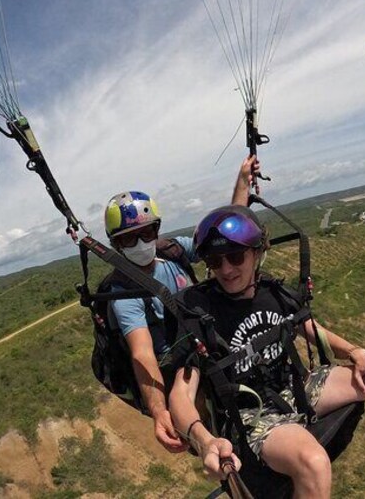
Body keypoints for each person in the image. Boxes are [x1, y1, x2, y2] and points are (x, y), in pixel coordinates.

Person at [167, 205, 365, 497]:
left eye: (235, 256)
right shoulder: (200, 310)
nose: (227, 269)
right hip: (254, 416)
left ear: (257, 253)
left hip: (297, 387)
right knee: (314, 463)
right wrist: (204, 441)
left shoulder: (270, 290)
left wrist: (357, 352)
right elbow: (181, 393)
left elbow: (305, 326)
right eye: (216, 262)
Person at [103, 156, 259, 453]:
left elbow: (224, 235)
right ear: (116, 246)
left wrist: (242, 182)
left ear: (157, 230)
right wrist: (160, 411)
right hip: (179, 362)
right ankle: (220, 454)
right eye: (128, 240)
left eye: (146, 234)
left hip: (207, 335)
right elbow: (143, 354)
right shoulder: (123, 292)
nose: (140, 245)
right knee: (194, 407)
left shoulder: (173, 252)